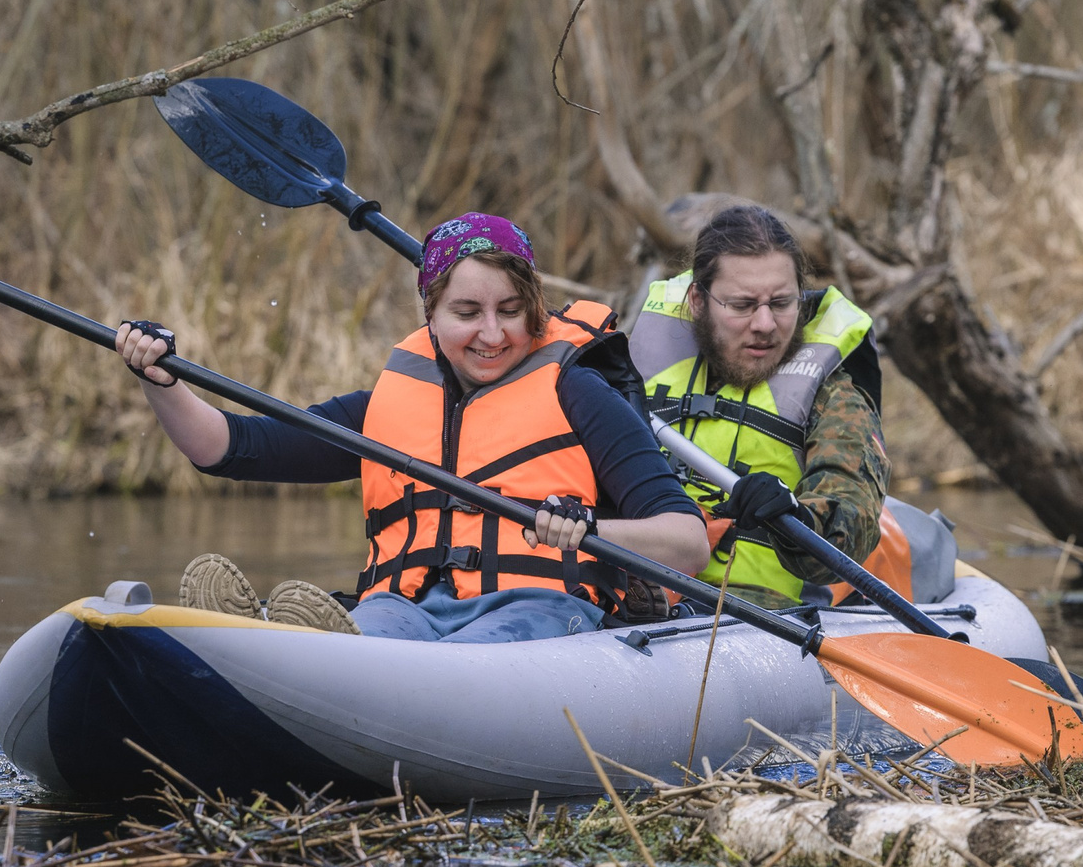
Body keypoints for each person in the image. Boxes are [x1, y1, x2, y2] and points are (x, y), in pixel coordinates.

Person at [113, 212, 709, 642]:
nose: (493, 335)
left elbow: (687, 542)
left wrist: (589, 528)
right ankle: (281, 652)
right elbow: (227, 447)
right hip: (409, 607)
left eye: (510, 312)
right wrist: (160, 379)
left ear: (534, 310)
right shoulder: (388, 407)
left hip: (541, 611)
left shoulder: (580, 392)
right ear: (430, 315)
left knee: (460, 662)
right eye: (467, 313)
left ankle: (309, 659)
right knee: (371, 630)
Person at [625, 203, 889, 609]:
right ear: (698, 301)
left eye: (781, 303)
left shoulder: (836, 394)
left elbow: (849, 521)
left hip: (755, 616)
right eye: (743, 305)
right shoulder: (633, 369)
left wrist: (795, 518)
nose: (765, 324)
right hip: (627, 593)